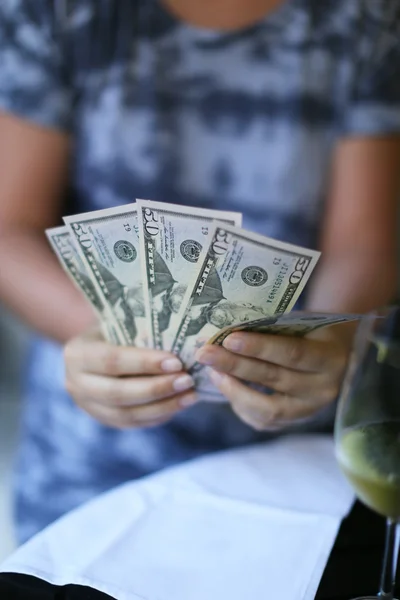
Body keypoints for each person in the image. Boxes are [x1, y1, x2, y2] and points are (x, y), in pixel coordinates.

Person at [0, 0, 399, 544]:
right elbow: (8, 227)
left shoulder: (370, 19)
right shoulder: (53, 11)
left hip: (293, 471)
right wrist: (105, 338)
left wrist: (327, 344)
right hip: (89, 462)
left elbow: (365, 243)